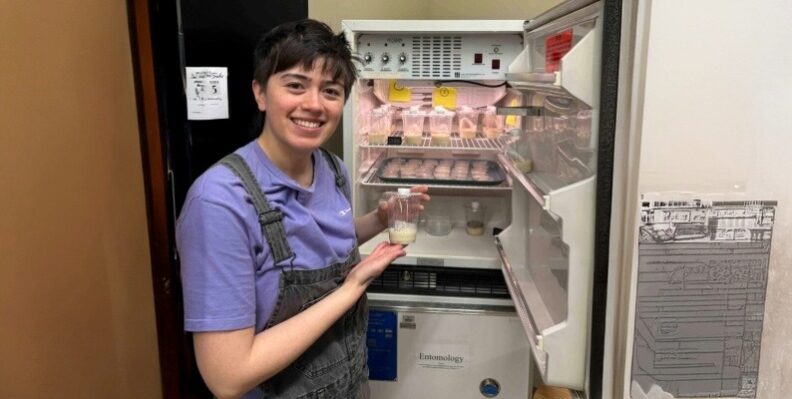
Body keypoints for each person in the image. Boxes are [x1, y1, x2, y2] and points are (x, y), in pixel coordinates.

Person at [176, 19, 429, 399]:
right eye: (295, 85)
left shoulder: (331, 169)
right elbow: (227, 377)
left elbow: (319, 241)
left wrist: (380, 220)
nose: (313, 104)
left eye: (330, 90)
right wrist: (351, 289)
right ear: (260, 94)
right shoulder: (220, 202)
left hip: (350, 384)